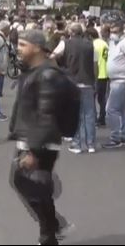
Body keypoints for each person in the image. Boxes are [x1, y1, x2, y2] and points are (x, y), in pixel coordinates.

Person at [8, 29, 73, 246]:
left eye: (23, 44)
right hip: (32, 137)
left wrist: (34, 150)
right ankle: (52, 228)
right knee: (32, 185)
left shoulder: (46, 74)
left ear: (36, 47)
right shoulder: (34, 70)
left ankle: (50, 233)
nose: (18, 48)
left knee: (30, 184)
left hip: (40, 140)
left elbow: (46, 114)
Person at [50, 23, 97, 153]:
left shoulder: (65, 43)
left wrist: (59, 69)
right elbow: (95, 64)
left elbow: (52, 56)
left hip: (72, 81)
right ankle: (91, 143)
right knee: (89, 114)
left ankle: (77, 143)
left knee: (76, 114)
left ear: (70, 32)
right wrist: (95, 80)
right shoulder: (90, 44)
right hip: (88, 81)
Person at [91, 26, 109, 127]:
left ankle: (94, 118)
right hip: (105, 72)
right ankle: (102, 118)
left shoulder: (93, 45)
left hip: (96, 73)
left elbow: (94, 61)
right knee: (102, 98)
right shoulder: (104, 43)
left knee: (92, 97)